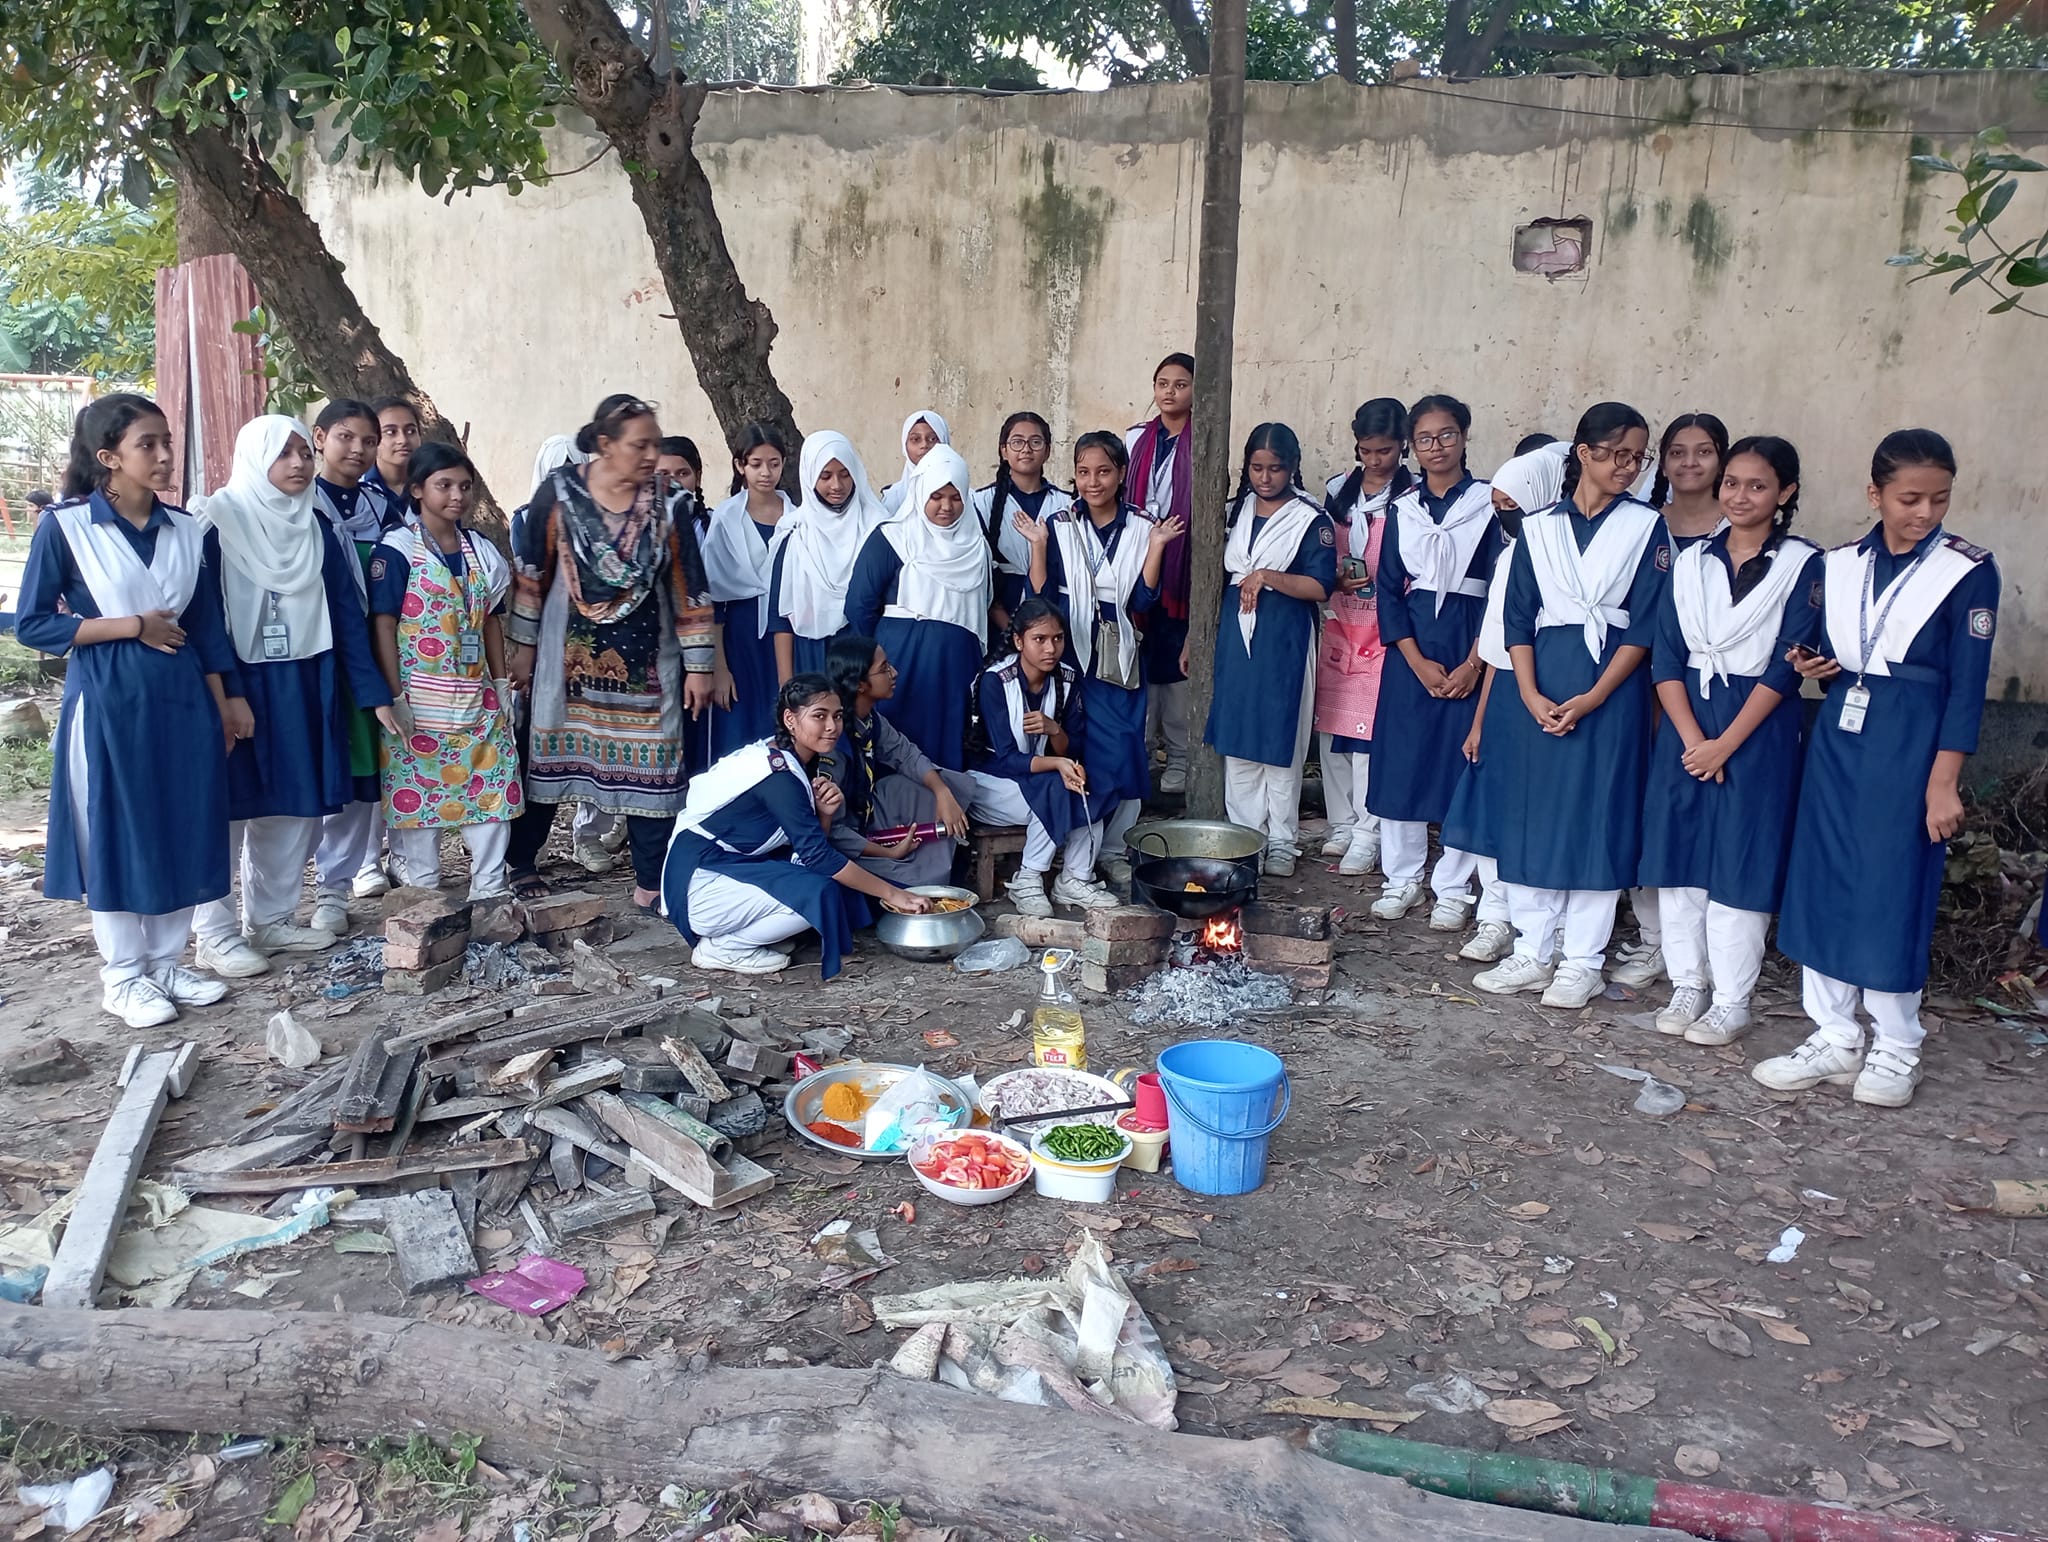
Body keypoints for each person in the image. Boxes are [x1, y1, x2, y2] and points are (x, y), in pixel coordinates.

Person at [1754, 430, 1999, 1109]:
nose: (1924, 512)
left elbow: (1966, 687)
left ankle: (1897, 1045)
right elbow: (1819, 646)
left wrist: (1943, 780)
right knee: (1825, 876)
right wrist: (1814, 664)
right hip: (1841, 729)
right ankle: (1834, 1034)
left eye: (1939, 499)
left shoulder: (1965, 569)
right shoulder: (1840, 566)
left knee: (1892, 886)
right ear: (1876, 494)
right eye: (1909, 498)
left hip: (1914, 738)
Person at [18, 394, 246, 1028]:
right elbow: (33, 625)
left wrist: (225, 702)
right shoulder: (66, 529)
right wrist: (129, 626)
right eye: (148, 445)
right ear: (108, 458)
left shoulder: (190, 531)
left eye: (166, 442)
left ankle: (168, 960)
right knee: (119, 830)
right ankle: (123, 975)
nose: (165, 455)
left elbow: (206, 627)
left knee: (183, 822)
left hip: (182, 703)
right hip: (110, 701)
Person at [1476, 402, 1669, 1009]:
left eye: (1638, 457)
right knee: (1533, 814)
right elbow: (1517, 617)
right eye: (1616, 454)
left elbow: (1645, 625)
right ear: (1583, 453)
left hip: (1608, 687)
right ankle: (1534, 948)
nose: (1628, 467)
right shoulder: (1538, 528)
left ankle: (1581, 960)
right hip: (1542, 678)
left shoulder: (1645, 527)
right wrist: (1530, 692)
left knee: (1595, 817)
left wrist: (1593, 697)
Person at [190, 416, 398, 978]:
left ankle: (272, 918)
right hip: (236, 683)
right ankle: (214, 931)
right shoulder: (213, 525)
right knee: (226, 809)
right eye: (284, 454)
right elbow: (204, 621)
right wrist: (226, 693)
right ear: (254, 458)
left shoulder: (317, 529)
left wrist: (375, 695)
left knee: (293, 806)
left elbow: (349, 621)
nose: (300, 464)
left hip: (307, 678)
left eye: (305, 453)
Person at [505, 394, 721, 913]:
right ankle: (520, 862)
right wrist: (524, 648)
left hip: (651, 667)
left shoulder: (671, 504)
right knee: (544, 761)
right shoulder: (557, 496)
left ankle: (650, 880)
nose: (650, 454)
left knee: (656, 768)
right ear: (605, 445)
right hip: (566, 666)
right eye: (638, 444)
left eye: (653, 442)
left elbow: (690, 587)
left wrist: (698, 667)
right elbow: (531, 575)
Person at [1639, 436, 1821, 1045]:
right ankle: (1688, 980)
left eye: (1758, 485)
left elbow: (1785, 665)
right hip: (1688, 722)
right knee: (1682, 854)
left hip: (1758, 729)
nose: (1741, 496)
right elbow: (1666, 656)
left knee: (1742, 858)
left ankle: (1731, 996)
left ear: (1785, 493)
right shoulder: (1690, 561)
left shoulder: (1802, 564)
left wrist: (1725, 744)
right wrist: (1694, 739)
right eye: (1733, 483)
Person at [661, 674, 934, 976]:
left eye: (838, 716)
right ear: (790, 719)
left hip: (720, 868)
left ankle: (744, 937)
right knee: (819, 891)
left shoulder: (791, 758)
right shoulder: (780, 774)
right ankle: (727, 947)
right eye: (819, 716)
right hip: (699, 881)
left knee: (819, 883)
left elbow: (806, 848)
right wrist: (893, 893)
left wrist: (825, 815)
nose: (832, 726)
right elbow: (817, 857)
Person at [1017, 430, 1180, 878]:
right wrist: (1037, 546)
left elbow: (1144, 601)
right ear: (1073, 474)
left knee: (1126, 747)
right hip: (1069, 650)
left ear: (1122, 473)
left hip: (1119, 653)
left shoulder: (1143, 526)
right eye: (1084, 472)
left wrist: (1158, 547)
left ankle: (1111, 849)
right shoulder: (1060, 523)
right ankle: (1075, 853)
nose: (1093, 482)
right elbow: (1041, 594)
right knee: (1082, 747)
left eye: (1104, 471)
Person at [1367, 395, 1499, 923]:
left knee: (1460, 763)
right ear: (1411, 448)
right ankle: (1402, 877)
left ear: (1465, 436)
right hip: (1414, 648)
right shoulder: (1404, 508)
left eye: (1447, 435)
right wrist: (1416, 660)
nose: (1437, 447)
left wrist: (1476, 662)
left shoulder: (1490, 504)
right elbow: (1388, 589)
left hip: (1471, 638)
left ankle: (1452, 887)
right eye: (1425, 439)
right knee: (1403, 761)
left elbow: (1502, 591)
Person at [369, 441, 521, 898]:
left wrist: (500, 681)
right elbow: (384, 624)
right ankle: (425, 890)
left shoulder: (480, 551)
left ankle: (490, 887)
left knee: (492, 786)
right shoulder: (397, 550)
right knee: (418, 797)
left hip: (477, 697)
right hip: (417, 701)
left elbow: (491, 620)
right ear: (417, 489)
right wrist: (393, 695)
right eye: (444, 485)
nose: (457, 496)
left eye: (465, 486)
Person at [1614, 410, 1732, 990]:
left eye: (1704, 451)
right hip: (1637, 679)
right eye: (1678, 451)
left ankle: (1712, 950)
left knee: (1697, 811)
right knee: (1642, 807)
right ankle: (1655, 938)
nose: (1690, 462)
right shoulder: (1643, 524)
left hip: (1712, 694)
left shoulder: (1736, 528)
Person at [1441, 438, 1569, 965]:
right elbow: (1496, 648)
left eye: (1512, 507)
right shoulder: (1512, 553)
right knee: (1495, 815)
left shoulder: (1564, 555)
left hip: (1556, 696)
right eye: (1497, 510)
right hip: (1507, 701)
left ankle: (1546, 930)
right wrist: (1479, 722)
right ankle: (1495, 916)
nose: (1506, 519)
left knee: (1543, 818)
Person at [1201, 423, 1337, 877]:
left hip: (1283, 637)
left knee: (1281, 739)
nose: (1265, 478)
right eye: (1257, 468)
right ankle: (1244, 838)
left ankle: (1282, 839)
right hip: (1238, 639)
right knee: (1239, 739)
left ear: (1293, 468)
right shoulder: (1236, 512)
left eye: (1275, 468)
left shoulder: (1309, 519)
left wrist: (1269, 577)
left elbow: (1320, 585)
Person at [308, 398, 399, 932]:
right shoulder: (301, 504)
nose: (359, 450)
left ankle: (335, 889)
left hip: (371, 655)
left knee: (366, 772)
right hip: (316, 656)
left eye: (368, 441)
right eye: (346, 437)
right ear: (319, 439)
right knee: (322, 771)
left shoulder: (381, 508)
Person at [846, 444, 991, 770]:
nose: (947, 507)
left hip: (957, 666)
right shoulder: (893, 538)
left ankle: (946, 814)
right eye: (936, 496)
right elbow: (859, 605)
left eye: (956, 497)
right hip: (901, 664)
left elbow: (982, 605)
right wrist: (876, 661)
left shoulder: (976, 545)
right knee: (898, 743)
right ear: (920, 492)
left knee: (949, 741)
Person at [967, 599, 1116, 915]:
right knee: (1058, 786)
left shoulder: (1066, 678)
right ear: (1019, 641)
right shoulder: (996, 681)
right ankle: (1029, 877)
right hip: (991, 782)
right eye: (1040, 640)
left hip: (1038, 780)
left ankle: (1075, 878)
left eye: (1057, 639)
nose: (1051, 648)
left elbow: (1070, 749)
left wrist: (1054, 731)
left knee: (1092, 784)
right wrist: (1059, 764)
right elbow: (1006, 759)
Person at [1315, 399, 1408, 876]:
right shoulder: (1337, 491)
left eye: (1386, 451)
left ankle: (1368, 831)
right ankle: (1340, 821)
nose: (1376, 460)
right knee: (1331, 727)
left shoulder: (1409, 498)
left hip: (1383, 624)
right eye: (1367, 451)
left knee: (1367, 733)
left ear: (1402, 446)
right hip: (1338, 617)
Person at [824, 633, 974, 885]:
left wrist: (942, 793)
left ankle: (932, 870)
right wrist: (888, 852)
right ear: (860, 684)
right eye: (883, 669)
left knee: (932, 784)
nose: (894, 673)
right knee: (904, 880)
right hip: (845, 835)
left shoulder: (870, 719)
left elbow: (906, 754)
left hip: (867, 810)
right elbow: (834, 831)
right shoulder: (833, 741)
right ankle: (914, 878)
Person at [702, 423, 795, 761]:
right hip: (738, 638)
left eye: (773, 463)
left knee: (781, 718)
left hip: (786, 634)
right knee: (737, 728)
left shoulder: (799, 518)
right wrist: (719, 668)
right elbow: (714, 597)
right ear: (740, 465)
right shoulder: (727, 518)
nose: (765, 472)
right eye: (756, 464)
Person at [1127, 352, 1196, 791]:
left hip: (1182, 562)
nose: (1169, 391)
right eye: (1162, 383)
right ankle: (1144, 751)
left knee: (1175, 668)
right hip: (1137, 556)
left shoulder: (1204, 436)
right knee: (1138, 661)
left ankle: (1181, 757)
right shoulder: (1136, 437)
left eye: (1180, 384)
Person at [768, 430, 889, 680]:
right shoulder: (794, 533)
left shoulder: (879, 528)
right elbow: (780, 618)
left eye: (845, 475)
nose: (837, 485)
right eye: (825, 476)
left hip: (864, 655)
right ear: (810, 477)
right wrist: (785, 683)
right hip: (810, 654)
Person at [973, 411, 1071, 630]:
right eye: (1017, 442)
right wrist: (1009, 629)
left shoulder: (1067, 504)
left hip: (1053, 608)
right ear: (1004, 450)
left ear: (1047, 451)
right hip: (998, 611)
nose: (1026, 449)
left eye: (1035, 442)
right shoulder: (981, 502)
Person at [363, 396, 423, 523]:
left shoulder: (435, 486)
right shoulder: (359, 488)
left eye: (411, 431)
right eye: (391, 432)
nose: (403, 440)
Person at [880, 410, 950, 515]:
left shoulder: (964, 496)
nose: (924, 445)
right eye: (916, 439)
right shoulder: (893, 498)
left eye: (932, 439)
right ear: (905, 446)